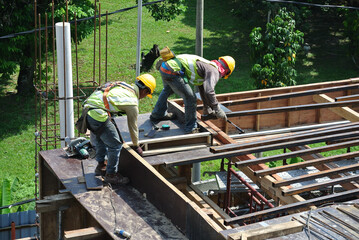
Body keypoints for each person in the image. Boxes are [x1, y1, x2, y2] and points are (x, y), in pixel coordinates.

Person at [83, 74, 156, 185]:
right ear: (145, 91)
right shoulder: (132, 102)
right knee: (115, 145)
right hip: (98, 114)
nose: (144, 97)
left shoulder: (123, 86)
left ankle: (101, 166)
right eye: (147, 94)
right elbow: (133, 126)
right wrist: (136, 146)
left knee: (101, 139)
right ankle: (111, 175)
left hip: (88, 110)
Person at [150, 54, 235, 133]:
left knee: (168, 89)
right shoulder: (214, 71)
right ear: (226, 71)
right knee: (190, 98)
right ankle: (191, 128)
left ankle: (157, 114)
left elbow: (203, 88)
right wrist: (217, 109)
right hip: (173, 71)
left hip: (165, 67)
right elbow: (209, 91)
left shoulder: (207, 65)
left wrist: (207, 108)